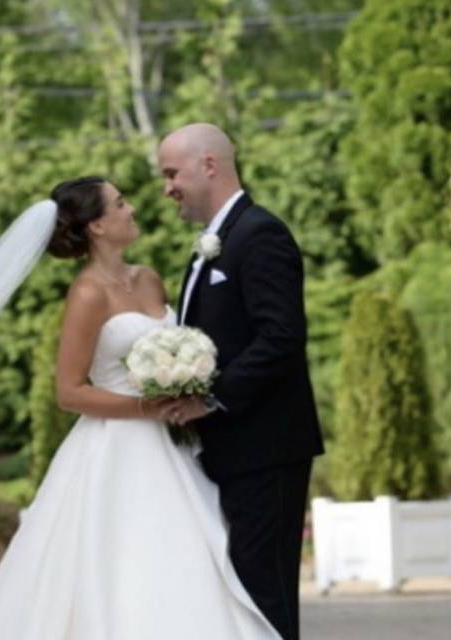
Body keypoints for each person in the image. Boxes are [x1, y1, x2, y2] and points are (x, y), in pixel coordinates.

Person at [0, 176, 280, 639]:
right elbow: (69, 391)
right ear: (98, 227)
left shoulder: (148, 278)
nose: (131, 209)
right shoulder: (87, 294)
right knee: (126, 561)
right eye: (120, 203)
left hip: (175, 443)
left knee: (187, 553)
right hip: (117, 449)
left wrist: (189, 376)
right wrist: (150, 405)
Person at [158, 123, 325, 640]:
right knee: (236, 591)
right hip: (229, 451)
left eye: (171, 173)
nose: (167, 187)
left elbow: (281, 337)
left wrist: (212, 399)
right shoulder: (213, 244)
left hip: (265, 449)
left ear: (209, 164)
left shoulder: (260, 234)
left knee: (262, 592)